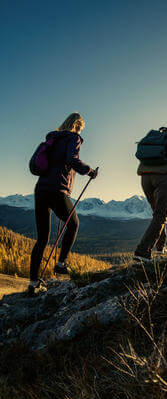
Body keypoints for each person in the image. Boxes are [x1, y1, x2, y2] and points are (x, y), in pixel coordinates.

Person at [28, 113, 98, 295]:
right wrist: (89, 171)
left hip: (41, 189)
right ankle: (61, 264)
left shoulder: (52, 138)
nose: (81, 131)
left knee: (42, 238)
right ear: (77, 125)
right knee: (74, 224)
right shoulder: (74, 138)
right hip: (57, 189)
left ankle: (33, 282)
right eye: (81, 128)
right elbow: (71, 160)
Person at [134, 125, 167, 261]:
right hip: (163, 177)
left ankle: (160, 246)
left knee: (157, 214)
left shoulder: (157, 135)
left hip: (145, 177)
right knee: (161, 215)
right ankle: (142, 252)